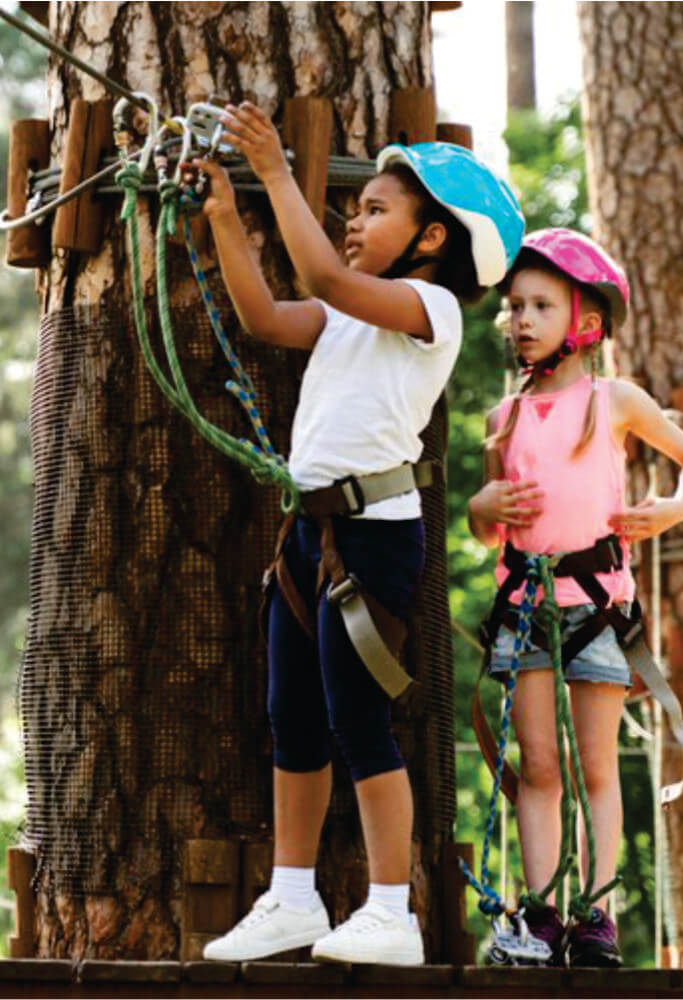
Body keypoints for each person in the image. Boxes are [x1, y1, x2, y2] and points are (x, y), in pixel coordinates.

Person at [194, 101, 524, 966]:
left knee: (358, 719)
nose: (352, 219)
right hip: (310, 535)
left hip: (372, 537)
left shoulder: (427, 310)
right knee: (291, 718)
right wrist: (229, 217)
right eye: (355, 206)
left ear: (429, 243)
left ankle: (391, 911)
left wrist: (274, 172)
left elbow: (328, 285)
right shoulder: (350, 314)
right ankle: (293, 894)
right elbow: (270, 318)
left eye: (375, 210)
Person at [467, 228, 683, 967]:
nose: (522, 319)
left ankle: (596, 915)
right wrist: (484, 504)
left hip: (596, 610)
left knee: (596, 767)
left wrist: (671, 508)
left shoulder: (616, 400)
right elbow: (486, 536)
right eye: (515, 306)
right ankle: (539, 913)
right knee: (538, 764)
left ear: (588, 321)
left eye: (541, 304)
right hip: (524, 611)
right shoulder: (501, 419)